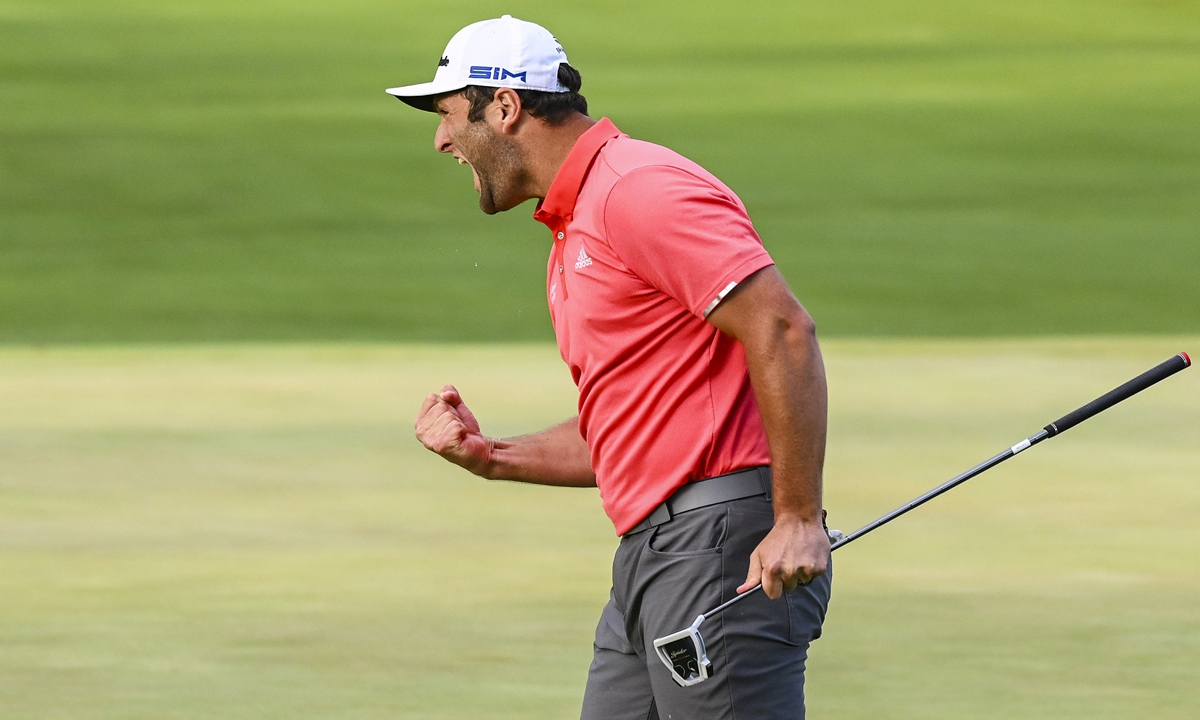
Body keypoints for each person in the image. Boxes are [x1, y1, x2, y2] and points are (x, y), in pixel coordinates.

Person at [393, 15, 832, 720]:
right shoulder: (576, 224)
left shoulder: (637, 189)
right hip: (654, 556)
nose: (441, 139)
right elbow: (631, 430)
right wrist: (492, 456)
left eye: (447, 114)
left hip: (719, 547)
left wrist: (799, 518)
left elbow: (781, 329)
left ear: (504, 107)